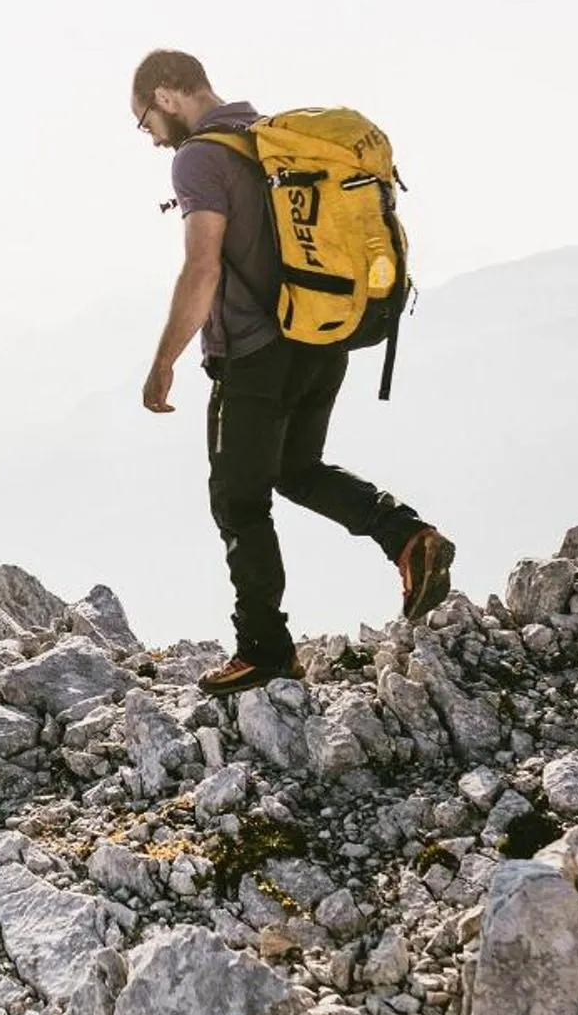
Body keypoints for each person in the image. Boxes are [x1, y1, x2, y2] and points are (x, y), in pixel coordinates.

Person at [133, 48, 455, 697]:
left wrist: (164, 360)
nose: (149, 136)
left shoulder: (198, 157)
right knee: (298, 469)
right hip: (321, 339)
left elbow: (203, 267)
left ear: (169, 95)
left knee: (238, 499)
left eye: (145, 120)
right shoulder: (268, 136)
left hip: (254, 355)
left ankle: (263, 650)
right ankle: (410, 538)